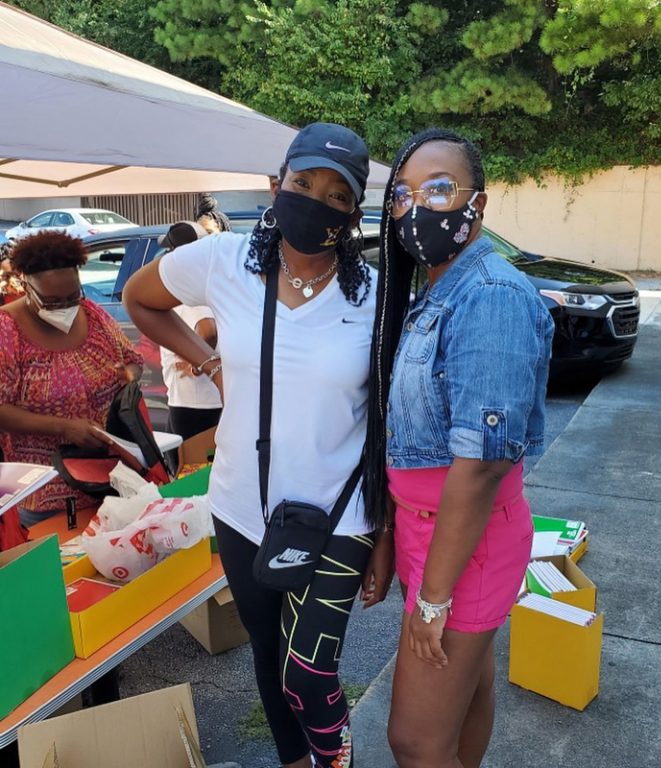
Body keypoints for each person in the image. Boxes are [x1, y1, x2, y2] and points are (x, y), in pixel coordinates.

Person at [124, 123, 393, 768]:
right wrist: (211, 363)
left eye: (336, 195)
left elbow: (390, 423)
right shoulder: (224, 260)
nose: (316, 201)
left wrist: (385, 532)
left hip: (341, 516)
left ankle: (335, 761)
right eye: (304, 183)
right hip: (243, 505)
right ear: (277, 185)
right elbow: (139, 298)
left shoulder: (377, 297)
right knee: (269, 658)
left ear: (353, 212)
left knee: (311, 673)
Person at [364, 128, 554, 768]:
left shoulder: (491, 296)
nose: (417, 207)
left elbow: (481, 466)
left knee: (415, 742)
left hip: (466, 543)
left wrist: (433, 599)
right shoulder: (440, 290)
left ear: (479, 203)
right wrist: (393, 534)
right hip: (433, 533)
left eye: (440, 189)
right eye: (403, 195)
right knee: (466, 694)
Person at [0, 231, 142, 528]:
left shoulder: (93, 315)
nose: (65, 307)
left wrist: (129, 375)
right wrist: (63, 427)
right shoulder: (7, 331)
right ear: (26, 285)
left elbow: (132, 360)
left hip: (109, 480)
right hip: (45, 494)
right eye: (52, 301)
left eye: (72, 296)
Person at [157, 221, 222, 441]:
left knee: (188, 459)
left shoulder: (191, 293)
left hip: (194, 403)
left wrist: (197, 366)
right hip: (198, 400)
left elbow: (208, 330)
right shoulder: (207, 286)